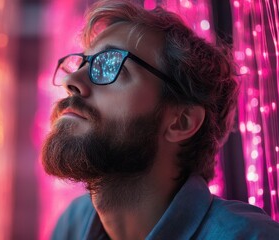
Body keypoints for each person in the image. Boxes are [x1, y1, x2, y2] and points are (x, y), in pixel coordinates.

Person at [41, 0, 279, 239]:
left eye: (110, 65)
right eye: (80, 63)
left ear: (181, 121)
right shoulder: (72, 225)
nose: (70, 80)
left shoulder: (248, 235)